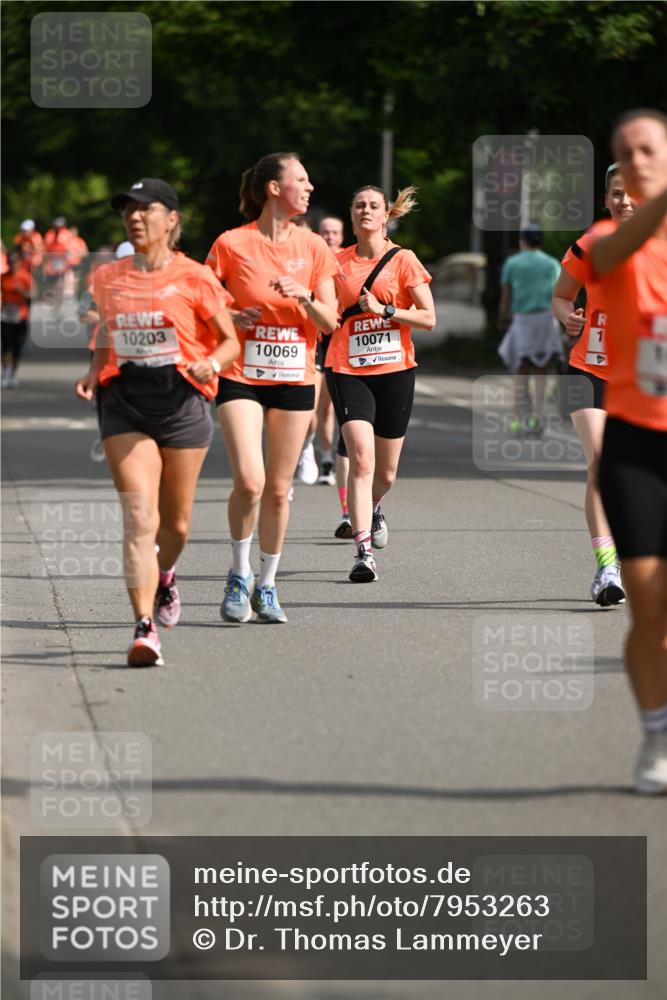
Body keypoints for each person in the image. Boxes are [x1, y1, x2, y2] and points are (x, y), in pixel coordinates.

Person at [75, 178, 240, 666]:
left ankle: (165, 574)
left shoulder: (196, 277)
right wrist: (92, 371)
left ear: (172, 219)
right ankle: (144, 627)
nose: (135, 216)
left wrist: (212, 364)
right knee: (139, 518)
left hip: (184, 403)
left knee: (177, 525)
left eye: (147, 209)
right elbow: (107, 327)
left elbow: (228, 341)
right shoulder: (107, 277)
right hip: (124, 401)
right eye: (128, 209)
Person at [206, 152, 338, 623]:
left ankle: (267, 584)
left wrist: (303, 296)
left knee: (279, 491)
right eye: (301, 179)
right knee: (250, 480)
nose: (310, 187)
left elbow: (330, 320)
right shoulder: (231, 244)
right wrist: (232, 318)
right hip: (241, 373)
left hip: (294, 378)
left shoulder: (314, 247)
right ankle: (239, 573)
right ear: (274, 189)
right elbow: (206, 308)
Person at [583, 109, 667, 792]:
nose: (634, 161)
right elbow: (605, 260)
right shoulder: (607, 239)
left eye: (647, 150)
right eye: (622, 153)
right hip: (636, 444)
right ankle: (654, 736)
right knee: (648, 610)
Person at [327, 185, 435, 582]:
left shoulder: (403, 260)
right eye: (359, 205)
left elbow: (428, 317)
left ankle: (373, 506)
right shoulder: (335, 262)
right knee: (361, 458)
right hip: (347, 369)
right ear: (351, 216)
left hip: (395, 371)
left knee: (385, 473)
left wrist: (387, 309)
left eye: (373, 206)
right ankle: (362, 552)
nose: (366, 211)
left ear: (386, 215)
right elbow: (323, 309)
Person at [552, 165, 635, 606]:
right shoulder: (590, 244)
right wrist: (570, 318)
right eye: (617, 194)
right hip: (590, 368)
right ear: (606, 201)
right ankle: (607, 567)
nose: (625, 201)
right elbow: (562, 296)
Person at [498, 223, 564, 435]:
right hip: (546, 320)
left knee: (520, 371)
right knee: (541, 372)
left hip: (522, 320)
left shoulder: (513, 263)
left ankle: (517, 420)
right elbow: (560, 296)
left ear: (523, 240)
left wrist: (502, 319)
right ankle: (537, 418)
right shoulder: (552, 264)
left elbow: (506, 297)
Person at [1, 250, 33, 387]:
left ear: (19, 263)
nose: (13, 265)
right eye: (10, 262)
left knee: (17, 347)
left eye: (15, 262)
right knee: (6, 345)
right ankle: (6, 373)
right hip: (6, 315)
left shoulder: (25, 277)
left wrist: (23, 292)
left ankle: (13, 374)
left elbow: (33, 294)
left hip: (21, 315)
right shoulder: (2, 277)